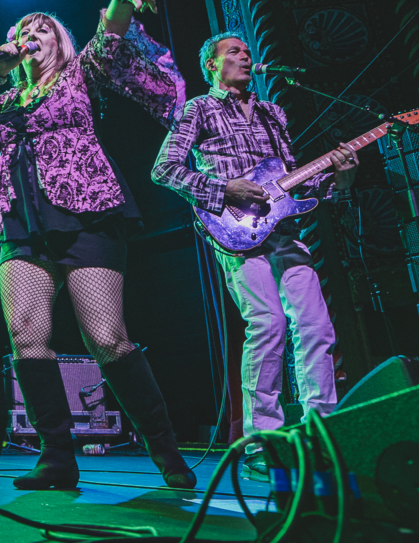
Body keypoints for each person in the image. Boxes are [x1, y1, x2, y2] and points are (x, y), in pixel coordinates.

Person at [0, 0, 196, 490]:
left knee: (106, 337)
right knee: (26, 335)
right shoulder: (8, 94)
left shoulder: (79, 73)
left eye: (42, 29)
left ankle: (163, 447)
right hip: (22, 219)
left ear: (59, 41)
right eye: (23, 30)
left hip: (85, 210)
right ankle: (57, 457)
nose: (31, 34)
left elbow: (110, 39)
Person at [150, 33, 357, 474]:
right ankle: (262, 441)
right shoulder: (197, 109)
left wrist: (339, 180)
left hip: (283, 229)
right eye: (234, 52)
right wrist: (223, 187)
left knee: (317, 326)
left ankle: (321, 432)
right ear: (211, 65)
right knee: (268, 323)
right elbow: (163, 169)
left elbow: (293, 183)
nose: (245, 57)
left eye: (247, 51)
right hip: (233, 230)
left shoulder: (272, 113)